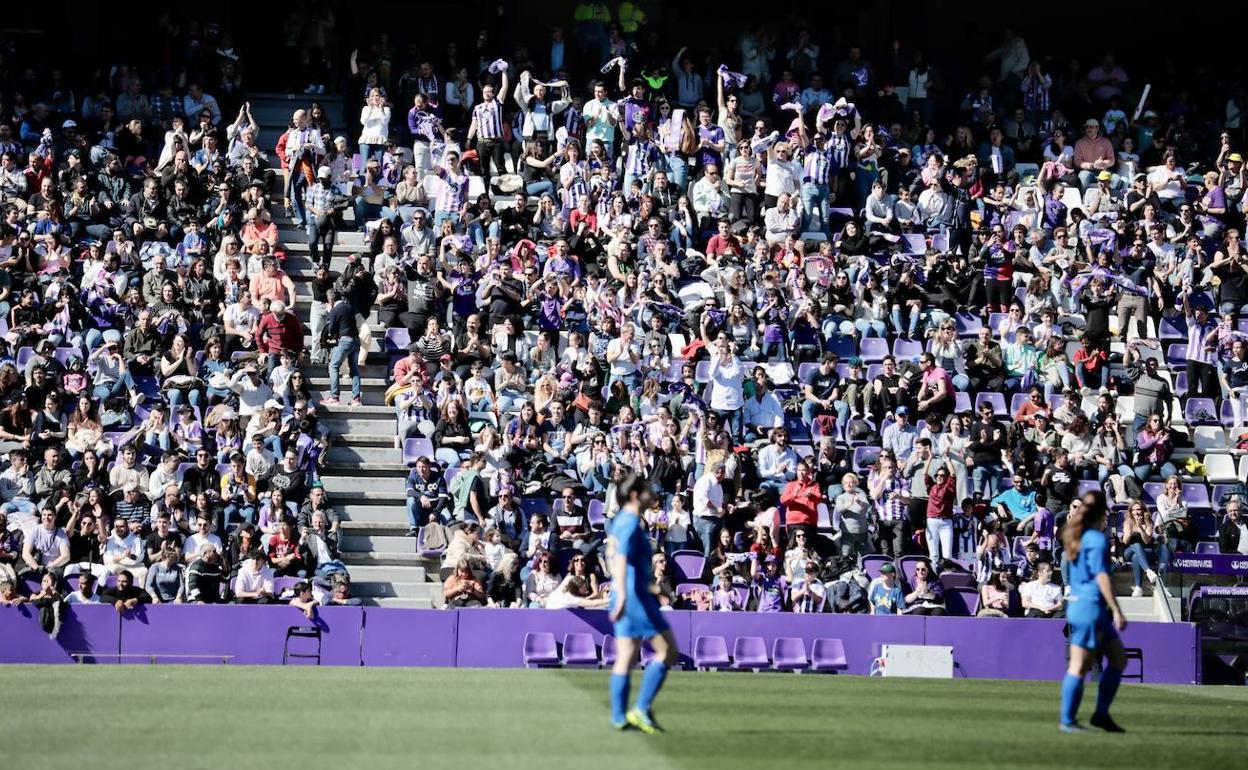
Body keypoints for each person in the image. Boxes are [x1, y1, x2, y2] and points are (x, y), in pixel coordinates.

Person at [606, 473, 679, 733]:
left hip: (630, 593)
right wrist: (625, 597)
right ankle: (641, 708)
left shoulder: (620, 522)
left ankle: (619, 718)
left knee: (626, 656)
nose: (653, 494)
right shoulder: (628, 521)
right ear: (636, 495)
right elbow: (621, 561)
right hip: (633, 598)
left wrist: (651, 586)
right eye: (648, 490)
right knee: (668, 651)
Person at [1060, 490, 1128, 733]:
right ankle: (1068, 721)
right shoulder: (1096, 539)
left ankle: (1100, 714)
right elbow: (1101, 576)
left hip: (1084, 606)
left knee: (1119, 658)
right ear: (1102, 513)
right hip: (1089, 607)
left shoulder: (1075, 536)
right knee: (1079, 666)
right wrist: (1117, 610)